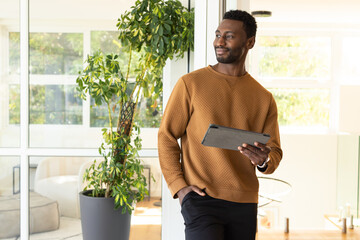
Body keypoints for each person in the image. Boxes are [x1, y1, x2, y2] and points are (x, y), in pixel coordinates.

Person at [158, 9, 282, 240]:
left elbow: (274, 153)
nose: (219, 41)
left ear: (250, 42)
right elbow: (166, 136)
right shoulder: (190, 84)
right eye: (218, 34)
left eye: (229, 36)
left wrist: (263, 160)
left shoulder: (264, 98)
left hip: (245, 201)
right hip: (201, 197)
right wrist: (179, 187)